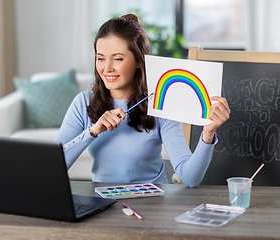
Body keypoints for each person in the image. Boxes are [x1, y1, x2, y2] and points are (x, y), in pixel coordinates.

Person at [54, 14, 230, 187]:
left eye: (117, 59)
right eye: (100, 58)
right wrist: (92, 132)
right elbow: (54, 165)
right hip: (103, 203)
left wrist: (208, 133)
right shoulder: (82, 103)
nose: (107, 68)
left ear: (139, 60)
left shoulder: (160, 105)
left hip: (152, 205)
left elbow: (190, 178)